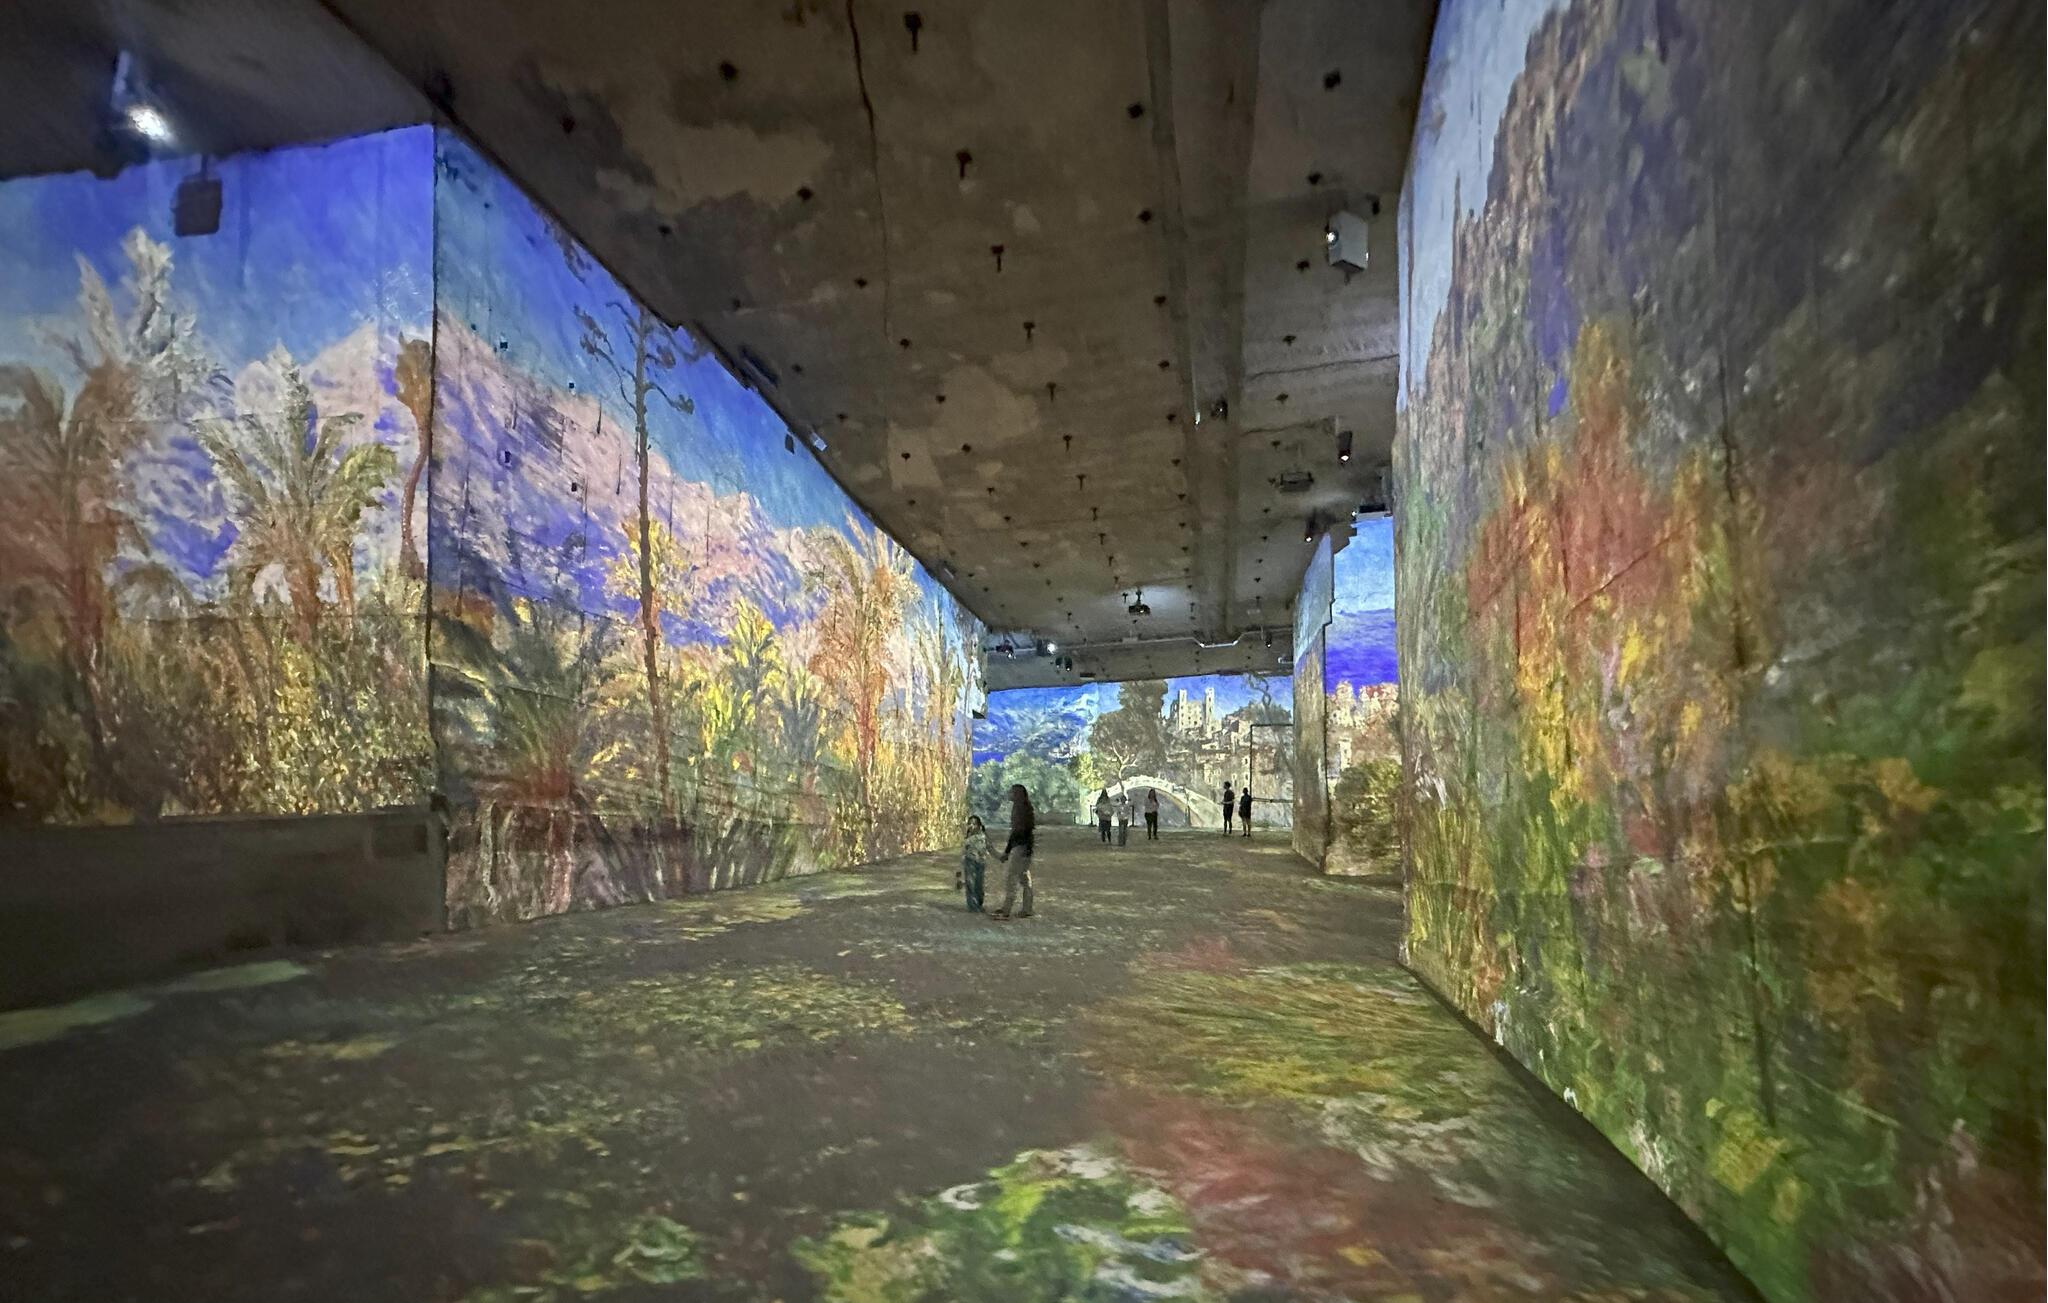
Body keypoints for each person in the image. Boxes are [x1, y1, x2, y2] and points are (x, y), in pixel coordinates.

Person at [993, 784, 1035, 919]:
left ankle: (1006, 910)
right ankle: (1027, 908)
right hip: (1026, 847)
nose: (1009, 794)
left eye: (1011, 792)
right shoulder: (1026, 809)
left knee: (1012, 878)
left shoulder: (1019, 810)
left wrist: (1007, 851)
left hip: (1020, 847)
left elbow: (1016, 833)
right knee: (1024, 878)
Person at [960, 815, 991, 913]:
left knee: (979, 885)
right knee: (970, 884)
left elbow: (990, 848)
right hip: (970, 862)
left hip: (981, 863)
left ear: (979, 825)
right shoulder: (968, 838)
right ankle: (973, 906)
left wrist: (1000, 856)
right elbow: (963, 851)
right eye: (969, 824)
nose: (971, 826)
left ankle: (979, 904)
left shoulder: (983, 837)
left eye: (974, 824)